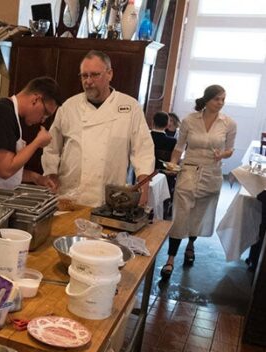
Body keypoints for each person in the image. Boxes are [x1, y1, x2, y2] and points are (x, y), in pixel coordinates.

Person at [42, 50, 155, 207]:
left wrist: (144, 186)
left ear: (109, 74)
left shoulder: (130, 107)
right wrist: (51, 174)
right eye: (84, 75)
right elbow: (51, 147)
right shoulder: (69, 107)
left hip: (110, 199)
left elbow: (143, 151)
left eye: (94, 75)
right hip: (69, 196)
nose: (88, 81)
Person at [159, 85, 236, 280]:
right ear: (207, 99)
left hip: (212, 172)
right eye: (217, 99)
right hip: (189, 171)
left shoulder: (229, 123)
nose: (221, 103)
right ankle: (170, 258)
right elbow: (179, 147)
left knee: (199, 214)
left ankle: (191, 245)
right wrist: (173, 164)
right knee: (180, 215)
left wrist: (222, 155)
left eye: (223, 100)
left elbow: (230, 149)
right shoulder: (189, 120)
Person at [0, 76, 62, 189]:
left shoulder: (11, 115)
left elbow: (1, 169)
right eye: (45, 113)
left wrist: (35, 177)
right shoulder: (0, 113)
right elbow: (5, 170)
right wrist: (37, 142)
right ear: (35, 100)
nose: (43, 120)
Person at [150, 111, 178, 219]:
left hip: (144, 173)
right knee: (164, 200)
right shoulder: (172, 141)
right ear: (167, 125)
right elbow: (173, 162)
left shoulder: (146, 136)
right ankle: (163, 215)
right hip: (164, 176)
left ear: (152, 122)